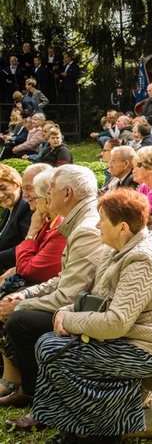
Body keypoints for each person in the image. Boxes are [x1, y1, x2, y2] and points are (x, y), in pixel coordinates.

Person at [16, 189, 152, 440]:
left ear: (122, 227)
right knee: (48, 344)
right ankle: (75, 427)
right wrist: (65, 311)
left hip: (148, 351)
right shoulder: (117, 249)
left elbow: (115, 323)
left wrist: (68, 320)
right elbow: (96, 298)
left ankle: (95, 432)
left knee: (56, 353)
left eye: (102, 220)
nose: (97, 225)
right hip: (126, 340)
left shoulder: (142, 259)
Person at [0, 165, 105, 412]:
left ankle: (34, 392)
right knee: (15, 304)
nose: (44, 195)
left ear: (66, 193)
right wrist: (25, 294)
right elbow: (62, 278)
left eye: (50, 189)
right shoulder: (76, 221)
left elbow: (38, 274)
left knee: (20, 320)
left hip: (94, 314)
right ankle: (26, 385)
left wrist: (21, 303)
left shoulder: (85, 228)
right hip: (84, 303)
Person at [0, 164, 33, 273]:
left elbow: (28, 245)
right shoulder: (8, 210)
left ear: (16, 184)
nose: (0, 195)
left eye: (3, 188)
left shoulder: (27, 208)